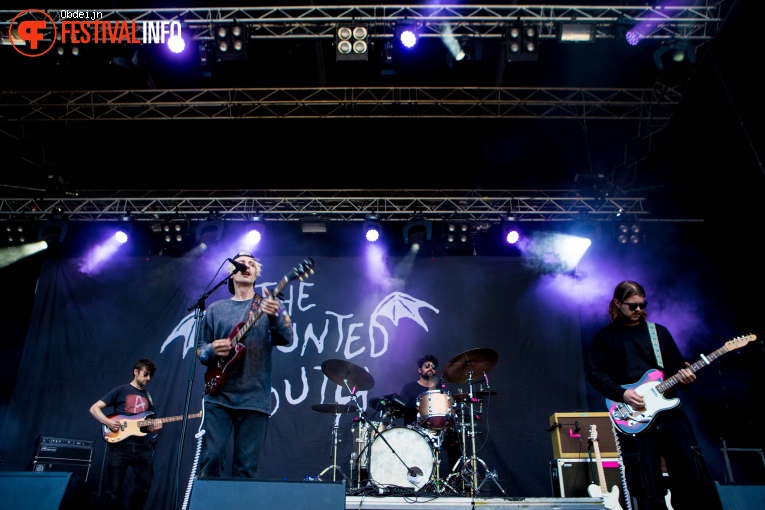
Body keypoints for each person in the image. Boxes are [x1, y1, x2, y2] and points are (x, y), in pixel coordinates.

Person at [586, 280, 720, 510]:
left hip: (668, 412)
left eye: (642, 305)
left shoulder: (658, 333)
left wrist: (686, 378)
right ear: (618, 304)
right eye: (633, 305)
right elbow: (596, 374)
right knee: (646, 478)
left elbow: (677, 368)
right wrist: (622, 393)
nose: (639, 310)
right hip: (634, 415)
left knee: (690, 467)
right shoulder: (605, 338)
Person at [196, 252, 292, 478]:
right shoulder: (215, 309)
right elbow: (200, 349)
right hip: (218, 395)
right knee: (211, 458)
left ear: (256, 275)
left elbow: (288, 337)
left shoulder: (269, 305)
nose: (246, 266)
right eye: (241, 263)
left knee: (246, 468)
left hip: (254, 397)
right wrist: (212, 349)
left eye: (252, 264)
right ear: (231, 273)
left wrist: (275, 315)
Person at [90, 358, 162, 510]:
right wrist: (108, 422)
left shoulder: (148, 397)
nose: (148, 378)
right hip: (120, 447)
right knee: (113, 490)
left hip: (142, 447)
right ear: (136, 372)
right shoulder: (121, 390)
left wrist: (154, 428)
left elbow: (146, 425)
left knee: (144, 487)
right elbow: (94, 408)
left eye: (150, 376)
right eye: (145, 374)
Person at [399, 355, 461, 479]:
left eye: (433, 367)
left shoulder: (439, 389)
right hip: (415, 429)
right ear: (419, 370)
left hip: (437, 428)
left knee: (455, 441)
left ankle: (455, 481)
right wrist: (418, 408)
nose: (430, 369)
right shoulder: (409, 388)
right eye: (427, 366)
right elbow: (401, 408)